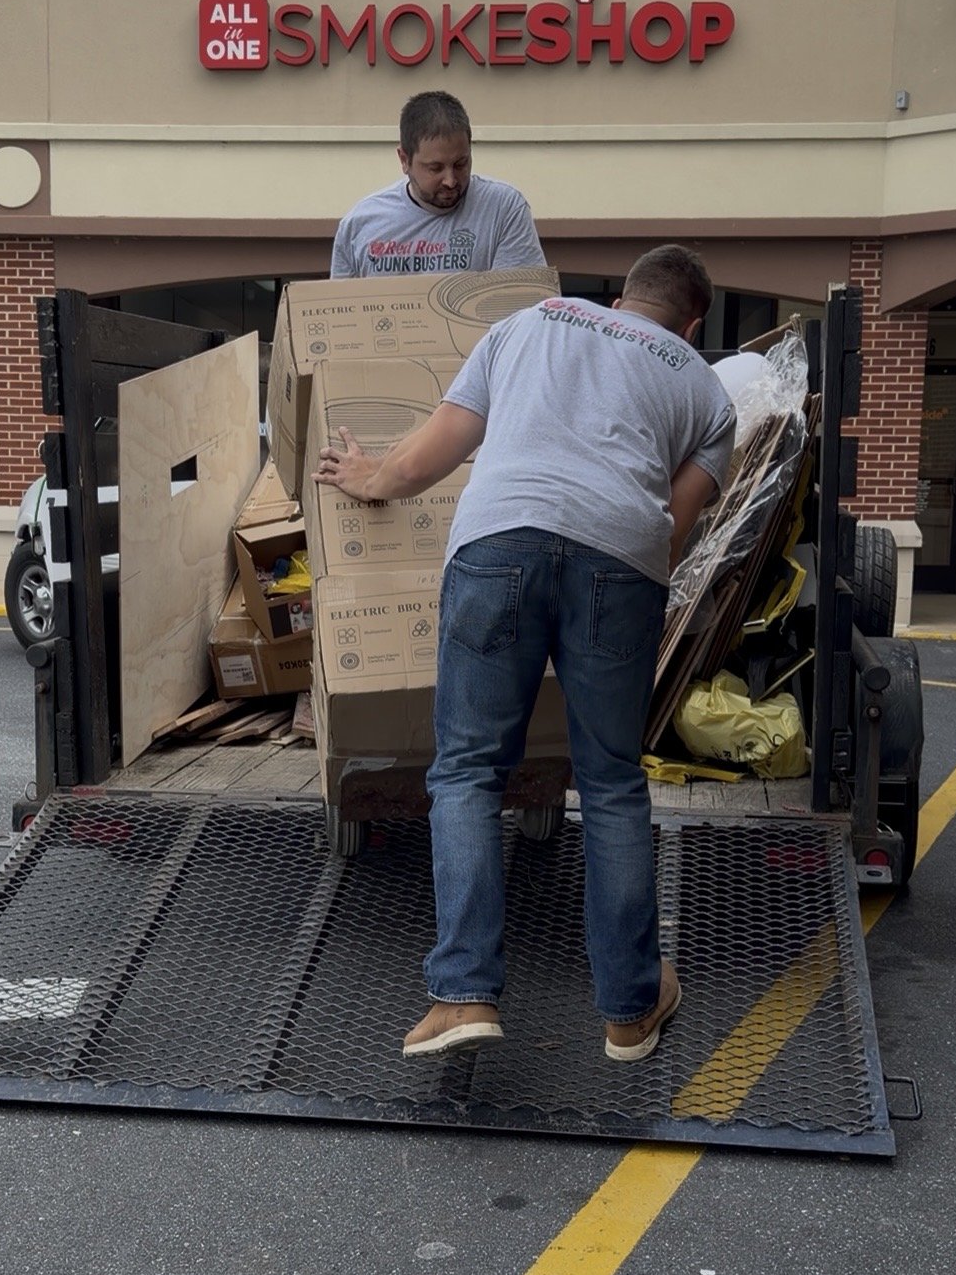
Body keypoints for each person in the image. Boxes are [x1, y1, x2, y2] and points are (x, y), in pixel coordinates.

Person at [313, 244, 735, 1063]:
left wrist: (366, 475)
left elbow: (428, 453)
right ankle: (629, 1010)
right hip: (620, 566)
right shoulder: (703, 388)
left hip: (498, 542)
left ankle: (463, 994)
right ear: (690, 324)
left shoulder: (528, 324)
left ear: (621, 295)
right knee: (611, 782)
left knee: (468, 768)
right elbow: (673, 532)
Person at [330, 90, 545, 278]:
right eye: (435, 168)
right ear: (404, 160)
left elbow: (520, 308)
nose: (451, 181)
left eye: (461, 164)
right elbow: (341, 315)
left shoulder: (503, 209)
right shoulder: (359, 226)